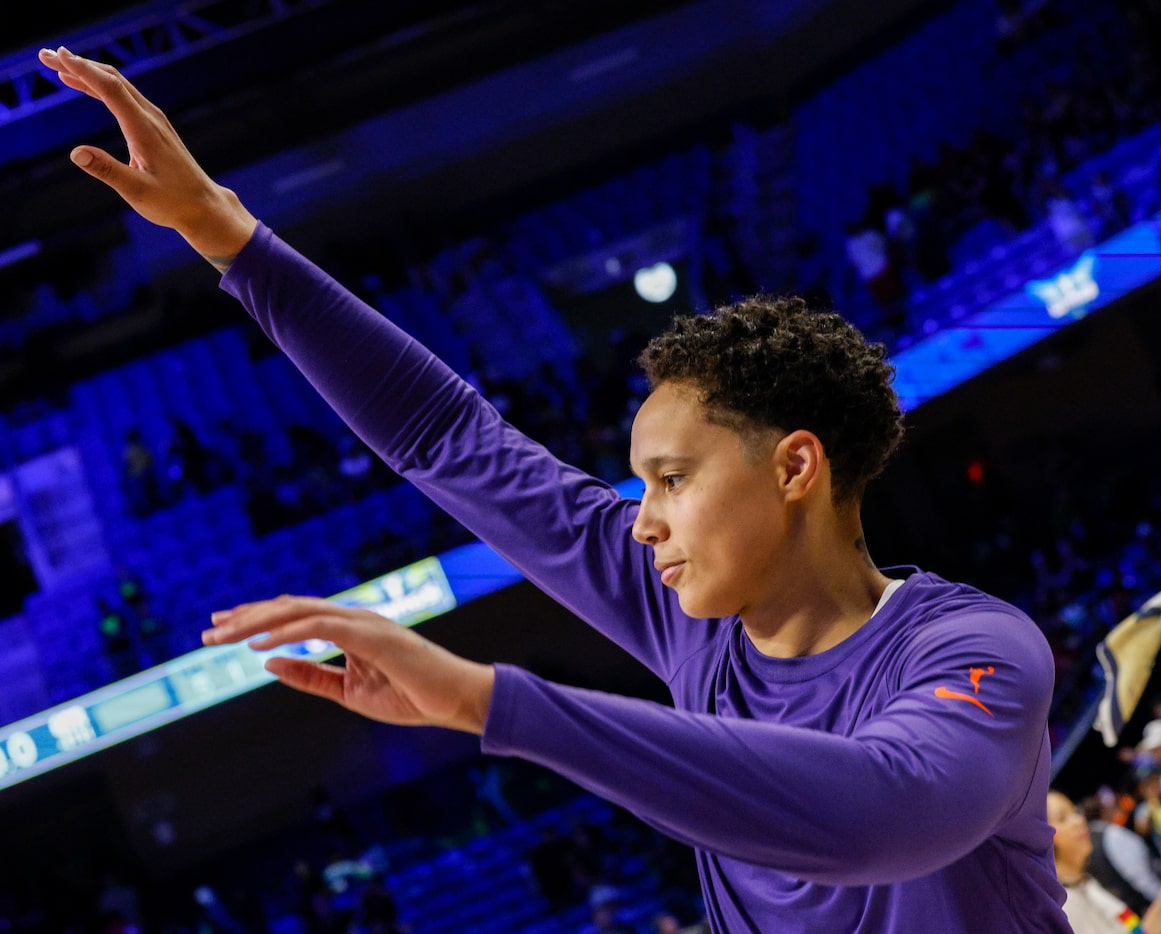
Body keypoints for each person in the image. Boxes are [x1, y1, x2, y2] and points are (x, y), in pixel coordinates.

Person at [40, 47, 1069, 932]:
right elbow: (449, 436)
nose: (647, 521)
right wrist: (228, 236)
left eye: (671, 480)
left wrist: (494, 703)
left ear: (795, 466)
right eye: (641, 485)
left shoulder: (973, 651)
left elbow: (873, 818)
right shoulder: (692, 621)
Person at [1048, 790, 1161, 933]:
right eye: (1062, 818)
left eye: (1075, 812)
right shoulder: (1064, 908)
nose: (1078, 820)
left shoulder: (1086, 883)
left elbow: (1136, 930)